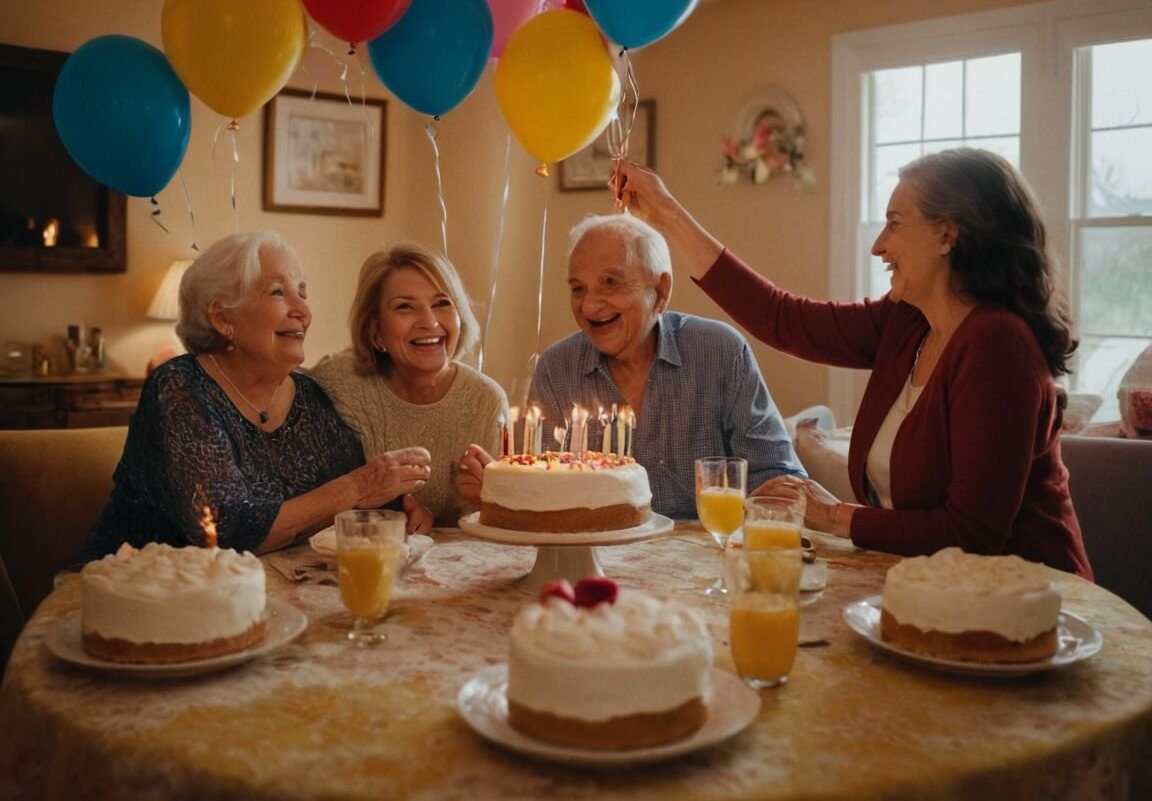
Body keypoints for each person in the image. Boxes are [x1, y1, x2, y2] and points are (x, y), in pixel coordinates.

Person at [612, 149, 1093, 577]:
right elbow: (781, 317)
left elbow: (973, 534)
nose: (878, 245)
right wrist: (666, 213)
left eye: (895, 223)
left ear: (948, 234)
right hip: (931, 591)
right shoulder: (907, 322)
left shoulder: (998, 344)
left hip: (1030, 606)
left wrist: (833, 515)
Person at [80, 231, 434, 562]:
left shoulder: (308, 397)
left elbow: (359, 494)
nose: (303, 312)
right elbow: (225, 532)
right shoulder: (179, 387)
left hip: (251, 597)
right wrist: (359, 487)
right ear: (221, 317)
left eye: (302, 294)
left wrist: (401, 509)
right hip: (136, 591)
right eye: (278, 292)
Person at [462, 212, 805, 519]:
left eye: (611, 283)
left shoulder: (719, 351)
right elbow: (543, 494)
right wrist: (502, 491)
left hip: (706, 560)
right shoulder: (558, 369)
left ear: (660, 291)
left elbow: (777, 478)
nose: (591, 305)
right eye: (578, 288)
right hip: (596, 560)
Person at [310, 242, 509, 526]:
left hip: (459, 564)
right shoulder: (339, 385)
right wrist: (392, 511)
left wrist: (491, 501)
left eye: (442, 303)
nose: (429, 322)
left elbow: (508, 528)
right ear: (375, 330)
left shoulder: (486, 402)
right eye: (405, 307)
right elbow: (313, 494)